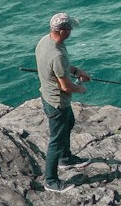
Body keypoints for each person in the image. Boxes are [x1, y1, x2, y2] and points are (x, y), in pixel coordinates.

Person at [35, 11, 91, 192]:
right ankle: (50, 181)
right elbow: (66, 87)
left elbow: (59, 69)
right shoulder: (57, 55)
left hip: (48, 96)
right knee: (55, 141)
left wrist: (76, 71)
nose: (71, 31)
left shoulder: (46, 41)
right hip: (57, 103)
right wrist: (80, 88)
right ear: (61, 31)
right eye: (69, 28)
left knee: (70, 122)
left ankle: (66, 159)